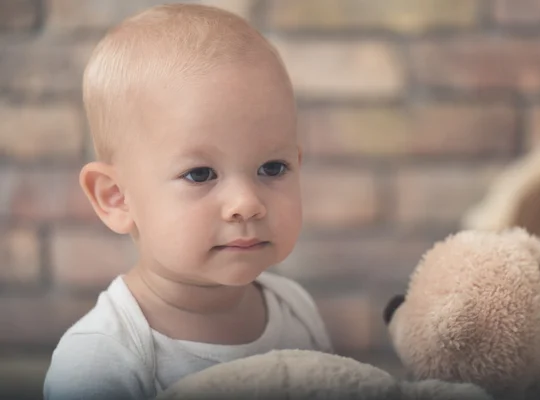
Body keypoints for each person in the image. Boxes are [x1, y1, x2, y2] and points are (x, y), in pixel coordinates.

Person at [43, 4, 332, 400]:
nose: (246, 203)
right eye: (200, 174)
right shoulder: (102, 358)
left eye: (272, 167)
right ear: (116, 198)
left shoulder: (295, 309)